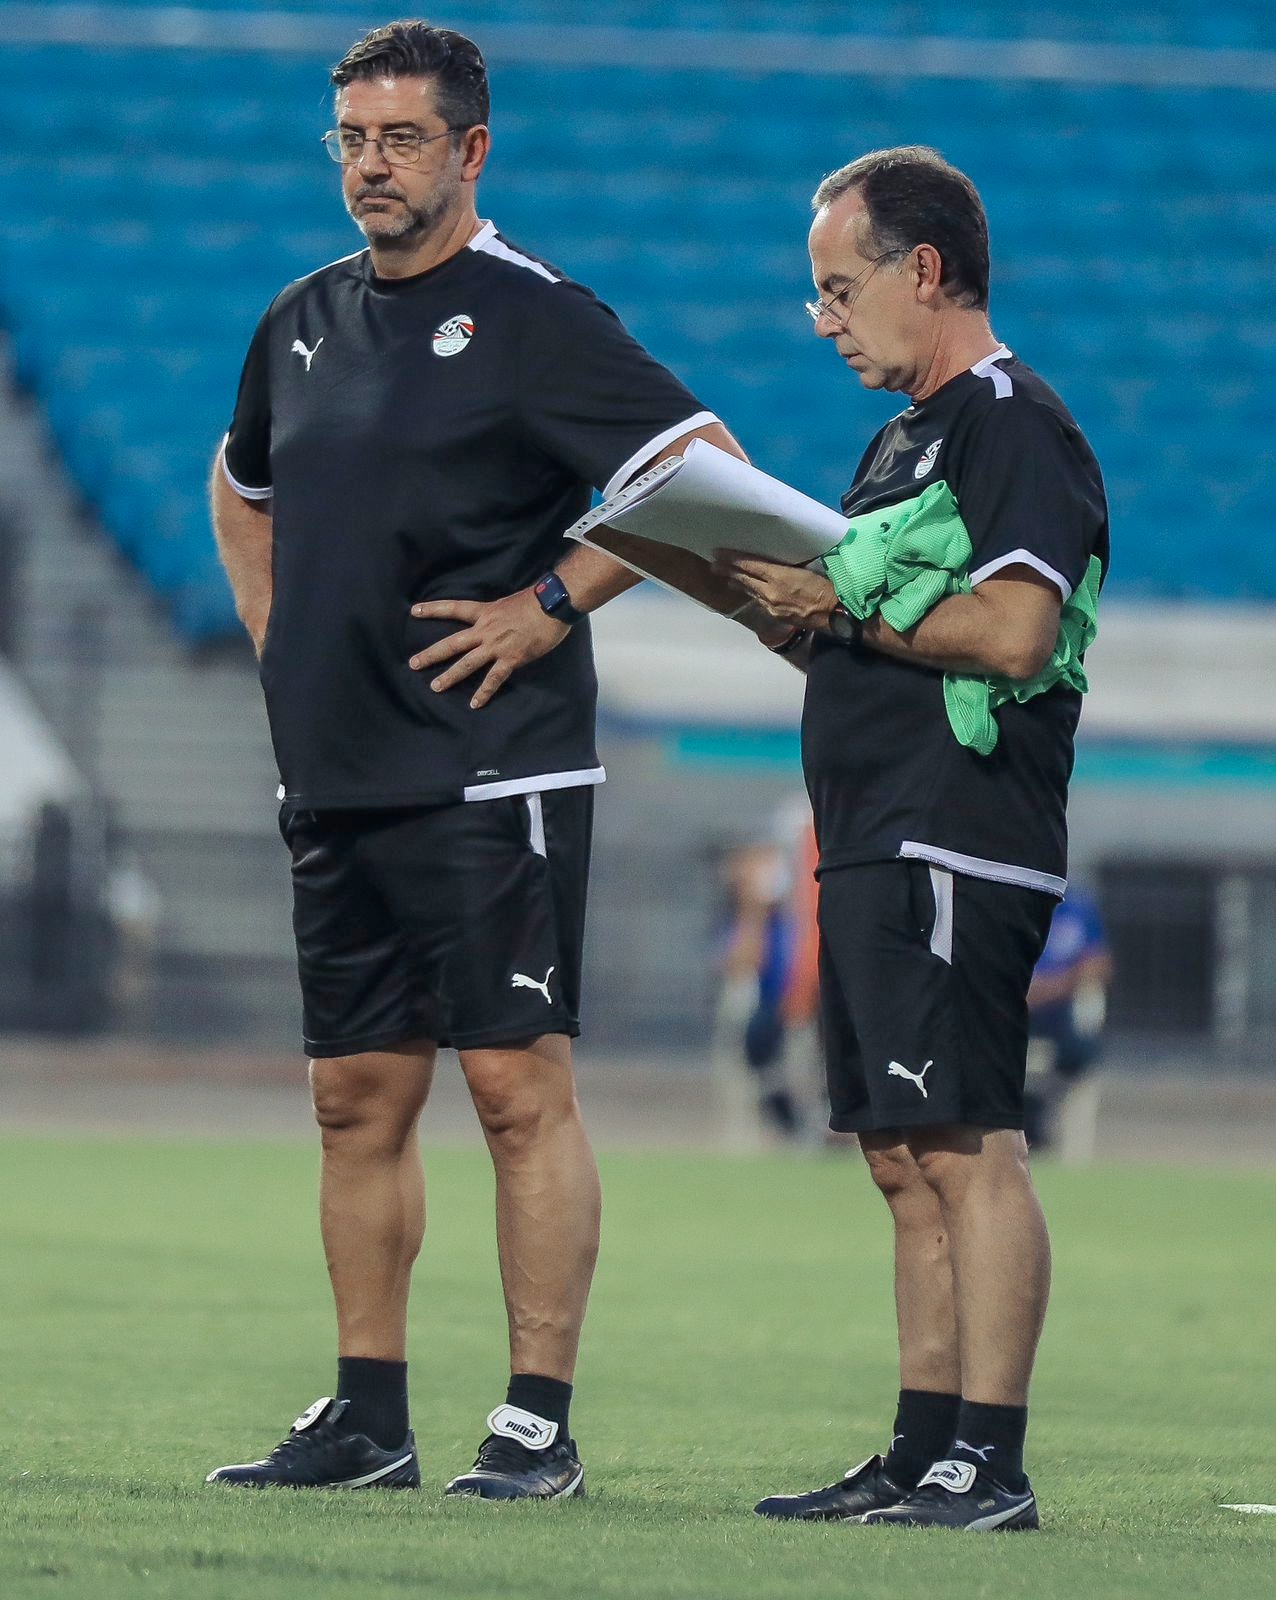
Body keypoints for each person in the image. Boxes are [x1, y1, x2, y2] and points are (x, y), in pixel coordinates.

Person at [207, 18, 747, 1498]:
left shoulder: (532, 315)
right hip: (336, 768)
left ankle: (534, 1423)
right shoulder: (300, 318)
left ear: (471, 150)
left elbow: (702, 470)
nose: (371, 167)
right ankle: (367, 1418)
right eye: (353, 141)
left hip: (493, 769)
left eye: (402, 140)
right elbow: (241, 483)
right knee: (353, 1102)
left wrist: (550, 602)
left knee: (515, 1088)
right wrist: (278, 636)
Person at [716, 146, 1108, 1531]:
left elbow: (1014, 632)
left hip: (958, 830)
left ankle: (989, 1463)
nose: (823, 318)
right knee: (900, 1150)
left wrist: (834, 609)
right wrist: (751, 593)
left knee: (964, 1142)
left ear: (923, 270)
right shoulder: (902, 442)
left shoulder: (1010, 421)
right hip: (875, 830)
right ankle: (921, 1448)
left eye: (839, 288)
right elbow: (871, 638)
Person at [1025, 885, 1112, 1151]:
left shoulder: (1076, 907)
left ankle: (1041, 1123)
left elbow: (1098, 963)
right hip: (1011, 1010)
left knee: (1078, 1052)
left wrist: (1049, 988)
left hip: (1059, 1012)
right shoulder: (1011, 901)